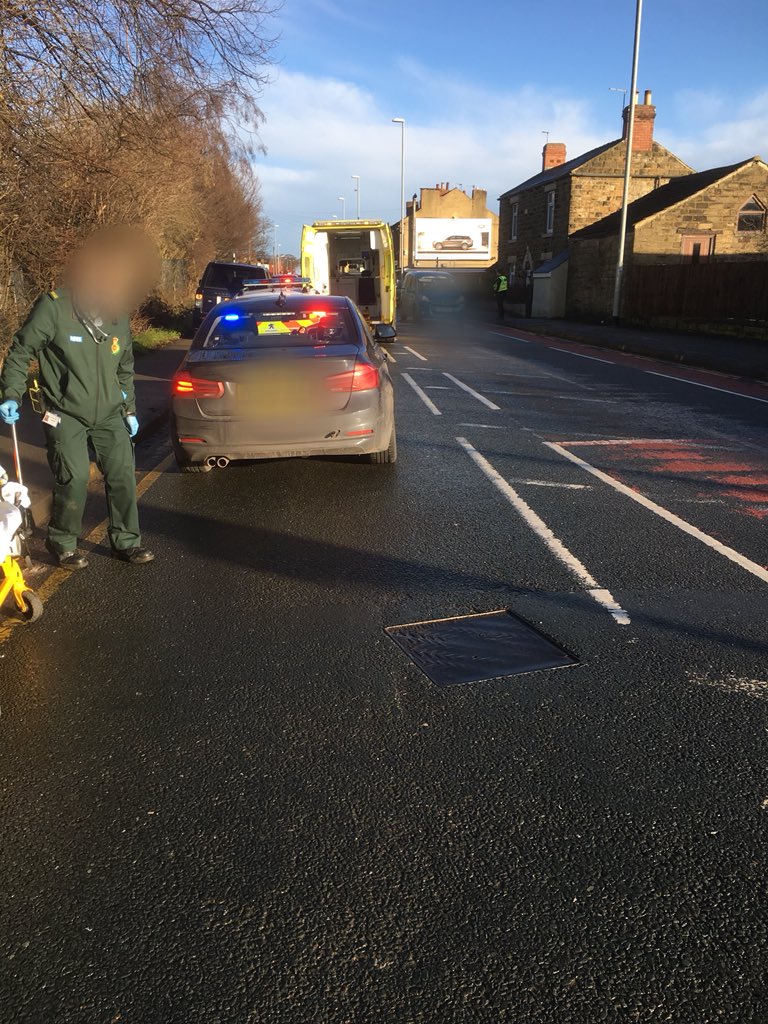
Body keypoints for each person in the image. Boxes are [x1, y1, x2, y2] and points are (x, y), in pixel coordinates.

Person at [0, 226, 159, 569]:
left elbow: (124, 366)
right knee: (74, 477)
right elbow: (20, 350)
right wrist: (11, 392)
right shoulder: (54, 308)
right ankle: (62, 542)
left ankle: (126, 542)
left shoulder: (117, 316)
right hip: (65, 412)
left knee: (122, 476)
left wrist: (129, 407)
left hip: (109, 414)